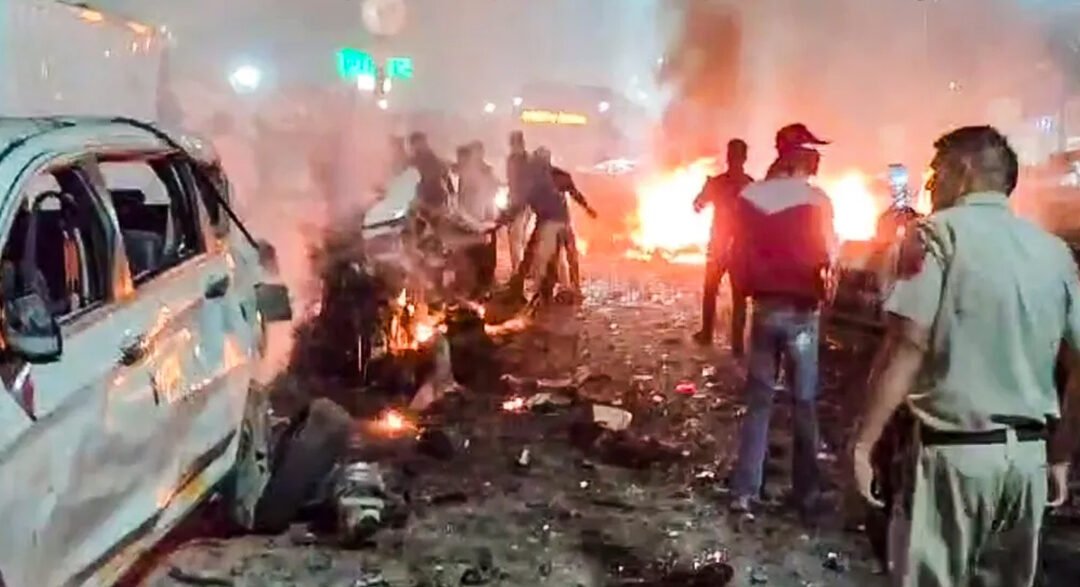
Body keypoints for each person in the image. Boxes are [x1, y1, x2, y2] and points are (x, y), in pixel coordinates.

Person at [852, 125, 1079, 586]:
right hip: (1026, 467)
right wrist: (1060, 455)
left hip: (950, 461)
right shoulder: (1053, 253)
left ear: (965, 171)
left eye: (937, 172)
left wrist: (863, 443)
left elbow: (907, 345)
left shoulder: (935, 236)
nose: (930, 184)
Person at [729, 126, 837, 517]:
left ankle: (744, 491)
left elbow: (736, 251)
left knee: (759, 401)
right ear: (802, 156)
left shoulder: (749, 195)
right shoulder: (816, 198)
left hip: (763, 310)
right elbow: (830, 253)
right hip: (802, 315)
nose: (819, 160)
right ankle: (805, 493)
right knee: (803, 402)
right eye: (814, 153)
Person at [692, 138, 754, 352]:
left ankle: (707, 334)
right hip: (740, 248)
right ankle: (736, 345)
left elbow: (697, 206)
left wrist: (705, 193)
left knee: (711, 291)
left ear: (728, 157)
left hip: (719, 245)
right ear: (745, 158)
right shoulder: (751, 185)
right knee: (739, 297)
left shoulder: (717, 183)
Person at [495, 147, 580, 303]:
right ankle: (566, 288)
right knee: (564, 255)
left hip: (550, 224)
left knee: (539, 256)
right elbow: (575, 193)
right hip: (558, 222)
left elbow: (519, 205)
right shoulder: (555, 176)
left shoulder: (536, 180)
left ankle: (539, 290)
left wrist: (500, 222)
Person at [505, 131, 533, 271]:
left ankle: (520, 270)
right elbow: (511, 181)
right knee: (515, 237)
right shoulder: (511, 159)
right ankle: (518, 269)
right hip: (514, 202)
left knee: (518, 237)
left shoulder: (527, 160)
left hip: (524, 204)